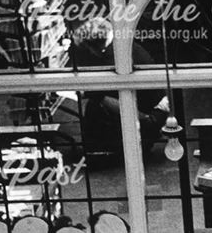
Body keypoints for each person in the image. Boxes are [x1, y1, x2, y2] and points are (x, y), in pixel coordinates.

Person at [68, 18, 170, 159]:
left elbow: (106, 94)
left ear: (96, 47)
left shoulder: (114, 60)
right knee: (97, 98)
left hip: (149, 116)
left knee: (96, 104)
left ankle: (104, 149)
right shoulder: (122, 45)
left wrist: (88, 93)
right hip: (157, 106)